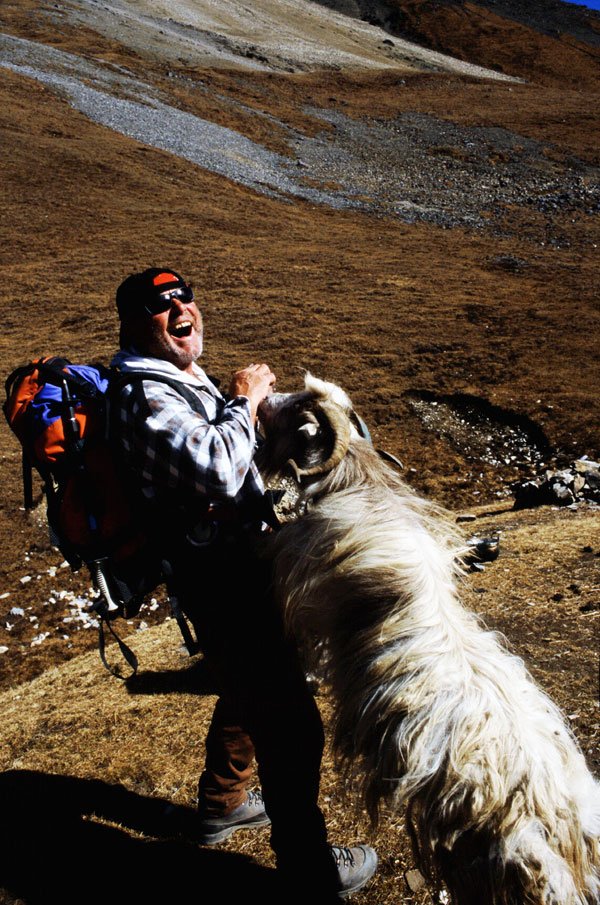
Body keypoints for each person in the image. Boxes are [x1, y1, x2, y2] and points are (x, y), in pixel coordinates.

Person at [111, 267, 378, 900]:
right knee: (291, 724)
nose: (181, 309)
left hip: (235, 567)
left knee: (248, 685)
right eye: (160, 304)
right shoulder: (143, 393)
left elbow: (226, 460)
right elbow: (210, 467)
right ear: (134, 323)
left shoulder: (173, 375)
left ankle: (221, 802)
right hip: (220, 582)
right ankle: (309, 872)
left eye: (186, 297)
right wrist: (245, 399)